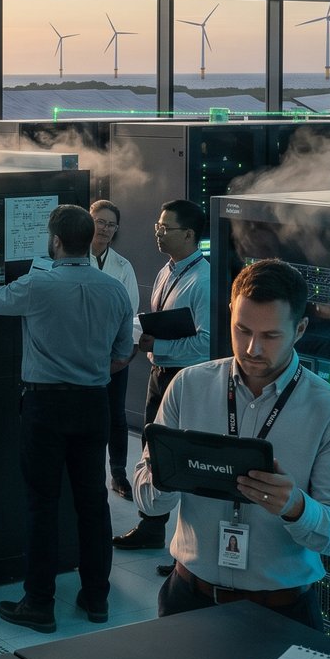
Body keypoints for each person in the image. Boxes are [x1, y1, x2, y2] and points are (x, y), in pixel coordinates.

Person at [133, 258, 330, 630]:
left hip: (282, 612)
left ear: (300, 329)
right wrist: (163, 476)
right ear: (229, 314)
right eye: (242, 330)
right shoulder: (188, 386)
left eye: (270, 336)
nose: (253, 348)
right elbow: (145, 498)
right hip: (187, 599)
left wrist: (295, 506)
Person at [0, 205, 136, 633]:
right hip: (92, 405)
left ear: (56, 241)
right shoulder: (114, 290)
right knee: (93, 504)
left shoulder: (38, 285)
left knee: (42, 505)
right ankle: (96, 597)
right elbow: (122, 353)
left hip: (45, 407)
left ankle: (39, 604)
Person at [113, 198, 219, 551]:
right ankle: (151, 525)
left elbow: (207, 342)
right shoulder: (166, 270)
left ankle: (188, 542)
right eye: (157, 227)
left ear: (189, 234)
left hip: (187, 379)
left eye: (165, 228)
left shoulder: (204, 281)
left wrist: (157, 343)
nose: (157, 234)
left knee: (182, 457)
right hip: (160, 373)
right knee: (151, 447)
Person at [88, 199, 141, 500]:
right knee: (88, 415)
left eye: (111, 224)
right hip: (81, 355)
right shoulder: (74, 258)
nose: (106, 229)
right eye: (100, 221)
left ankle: (118, 474)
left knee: (116, 416)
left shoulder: (122, 266)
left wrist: (121, 357)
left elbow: (132, 314)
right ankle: (90, 474)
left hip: (114, 356)